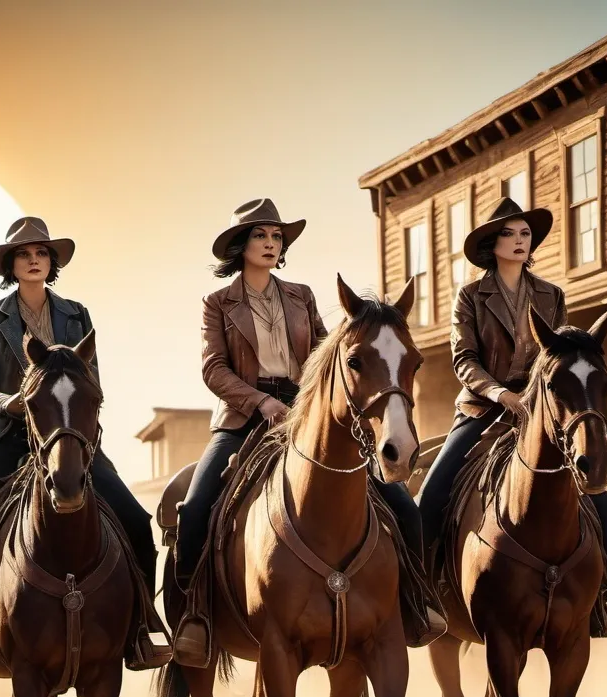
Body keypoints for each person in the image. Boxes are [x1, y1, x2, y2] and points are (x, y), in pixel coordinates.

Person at [171, 198, 433, 667]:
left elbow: (323, 353)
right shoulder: (218, 303)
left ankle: (415, 602)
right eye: (261, 237)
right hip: (241, 418)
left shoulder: (301, 295)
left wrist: (305, 401)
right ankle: (195, 616)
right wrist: (260, 401)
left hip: (304, 414)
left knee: (402, 507)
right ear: (240, 246)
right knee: (194, 510)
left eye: (277, 237)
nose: (271, 244)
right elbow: (213, 368)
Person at [0, 216, 168, 679]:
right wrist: (8, 403)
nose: (34, 260)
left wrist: (76, 423)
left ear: (52, 263)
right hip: (8, 434)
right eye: (24, 254)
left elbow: (90, 382)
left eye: (42, 253)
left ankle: (142, 627)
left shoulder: (77, 314)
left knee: (136, 520)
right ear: (11, 265)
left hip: (69, 437)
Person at [416, 197, 607, 637]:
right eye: (510, 234)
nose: (519, 242)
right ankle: (423, 596)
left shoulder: (552, 295)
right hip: (482, 409)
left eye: (525, 234)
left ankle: (604, 593)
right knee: (431, 493)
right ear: (492, 244)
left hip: (542, 412)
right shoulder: (470, 296)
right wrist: (499, 392)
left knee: (602, 501)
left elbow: (561, 358)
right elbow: (464, 359)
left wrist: (535, 399)